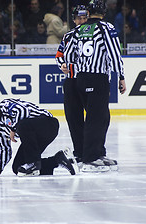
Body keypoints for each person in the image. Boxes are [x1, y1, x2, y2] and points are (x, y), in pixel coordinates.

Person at [63, 0, 126, 172]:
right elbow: (114, 53)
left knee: (101, 117)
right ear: (104, 13)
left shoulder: (77, 30)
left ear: (89, 12)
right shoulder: (106, 28)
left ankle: (98, 153)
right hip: (98, 78)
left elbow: (68, 55)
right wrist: (121, 75)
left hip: (81, 79)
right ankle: (91, 158)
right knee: (96, 119)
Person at [0, 99, 79, 177]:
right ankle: (58, 159)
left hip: (48, 125)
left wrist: (13, 129)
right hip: (34, 137)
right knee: (18, 168)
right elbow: (4, 148)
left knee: (22, 126)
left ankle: (33, 164)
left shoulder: (6, 105)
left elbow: (23, 111)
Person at [55, 5, 87, 168]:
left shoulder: (95, 35)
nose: (81, 21)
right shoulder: (68, 36)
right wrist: (61, 65)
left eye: (84, 18)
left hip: (88, 80)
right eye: (78, 18)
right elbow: (59, 56)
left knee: (93, 119)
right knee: (74, 119)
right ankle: (79, 152)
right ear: (73, 20)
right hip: (71, 81)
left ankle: (91, 151)